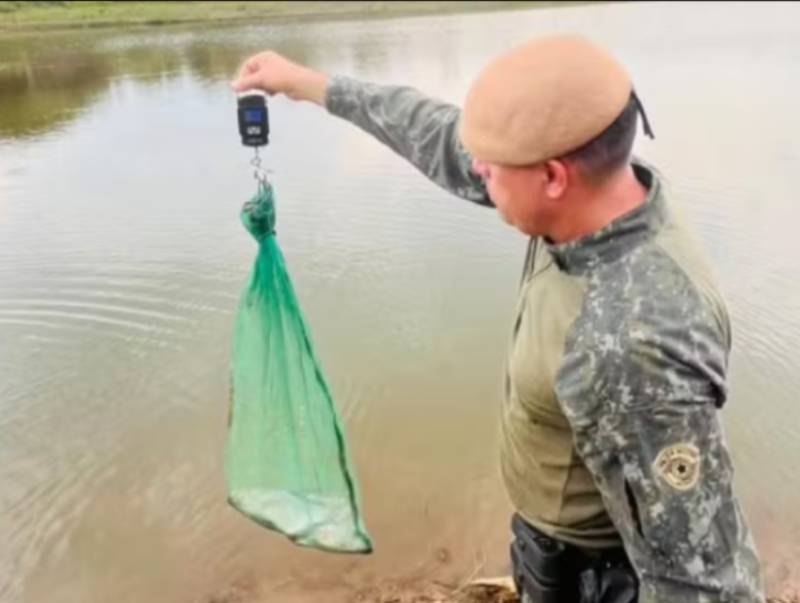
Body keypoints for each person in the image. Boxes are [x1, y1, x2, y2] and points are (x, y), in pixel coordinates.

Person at [231, 33, 766, 603]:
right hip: (554, 551)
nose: (476, 169)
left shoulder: (633, 343)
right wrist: (307, 84)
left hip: (599, 580)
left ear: (553, 177)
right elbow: (438, 135)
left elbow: (703, 580)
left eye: (491, 168)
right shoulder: (603, 189)